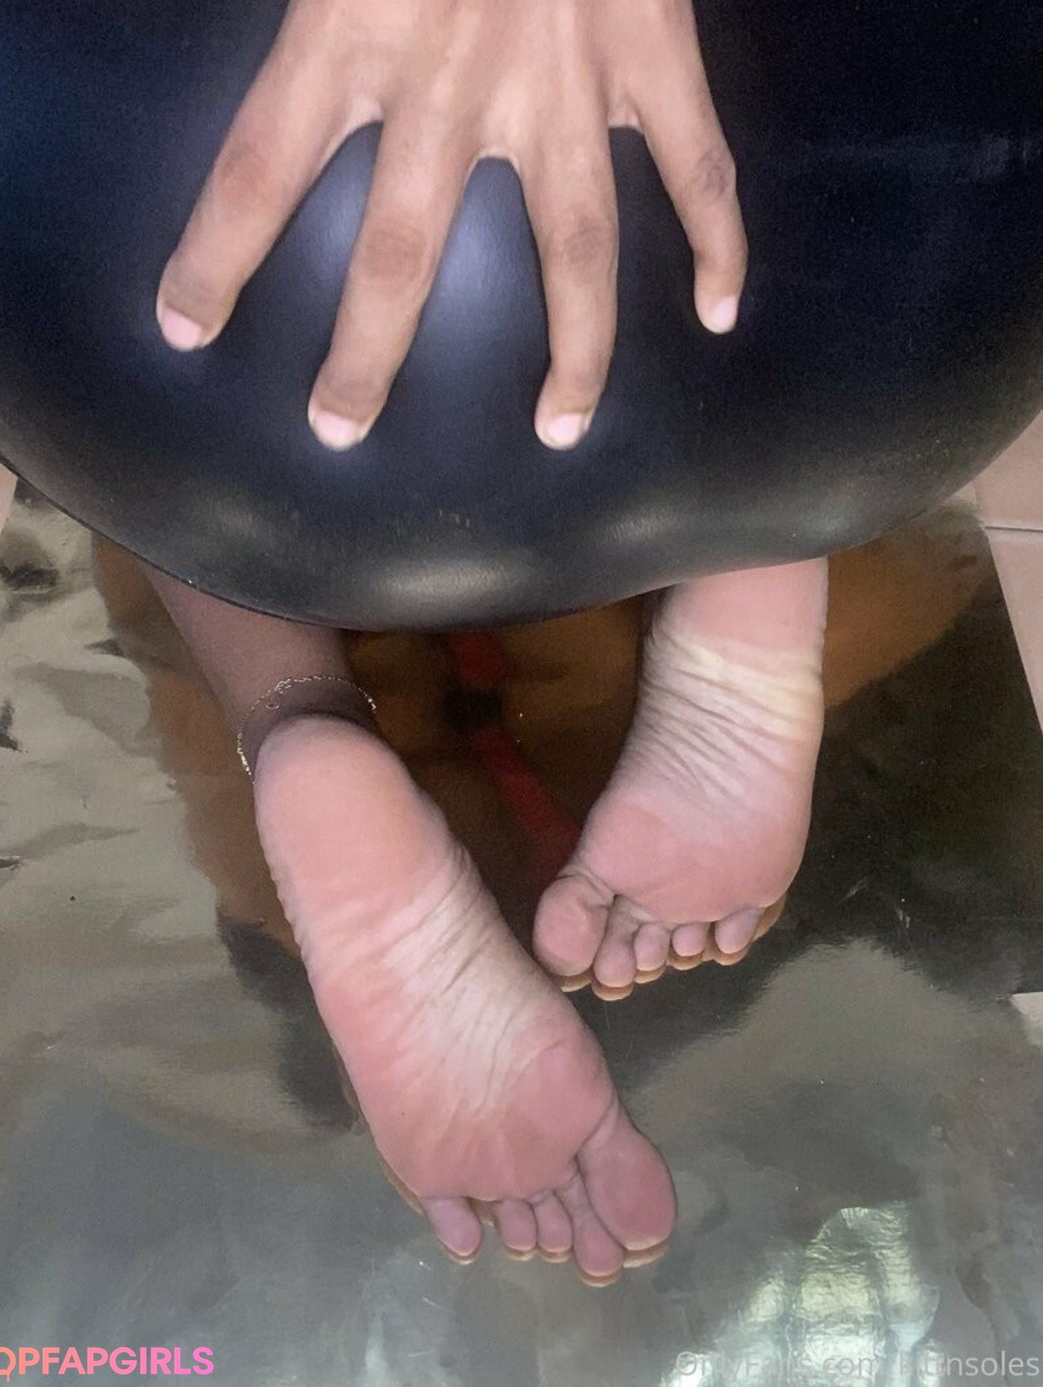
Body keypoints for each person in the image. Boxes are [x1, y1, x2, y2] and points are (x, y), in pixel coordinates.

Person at [147, 0, 828, 1285]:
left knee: (148, 297)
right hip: (887, 208)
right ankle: (770, 505)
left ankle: (290, 710)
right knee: (826, 113)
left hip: (170, 249)